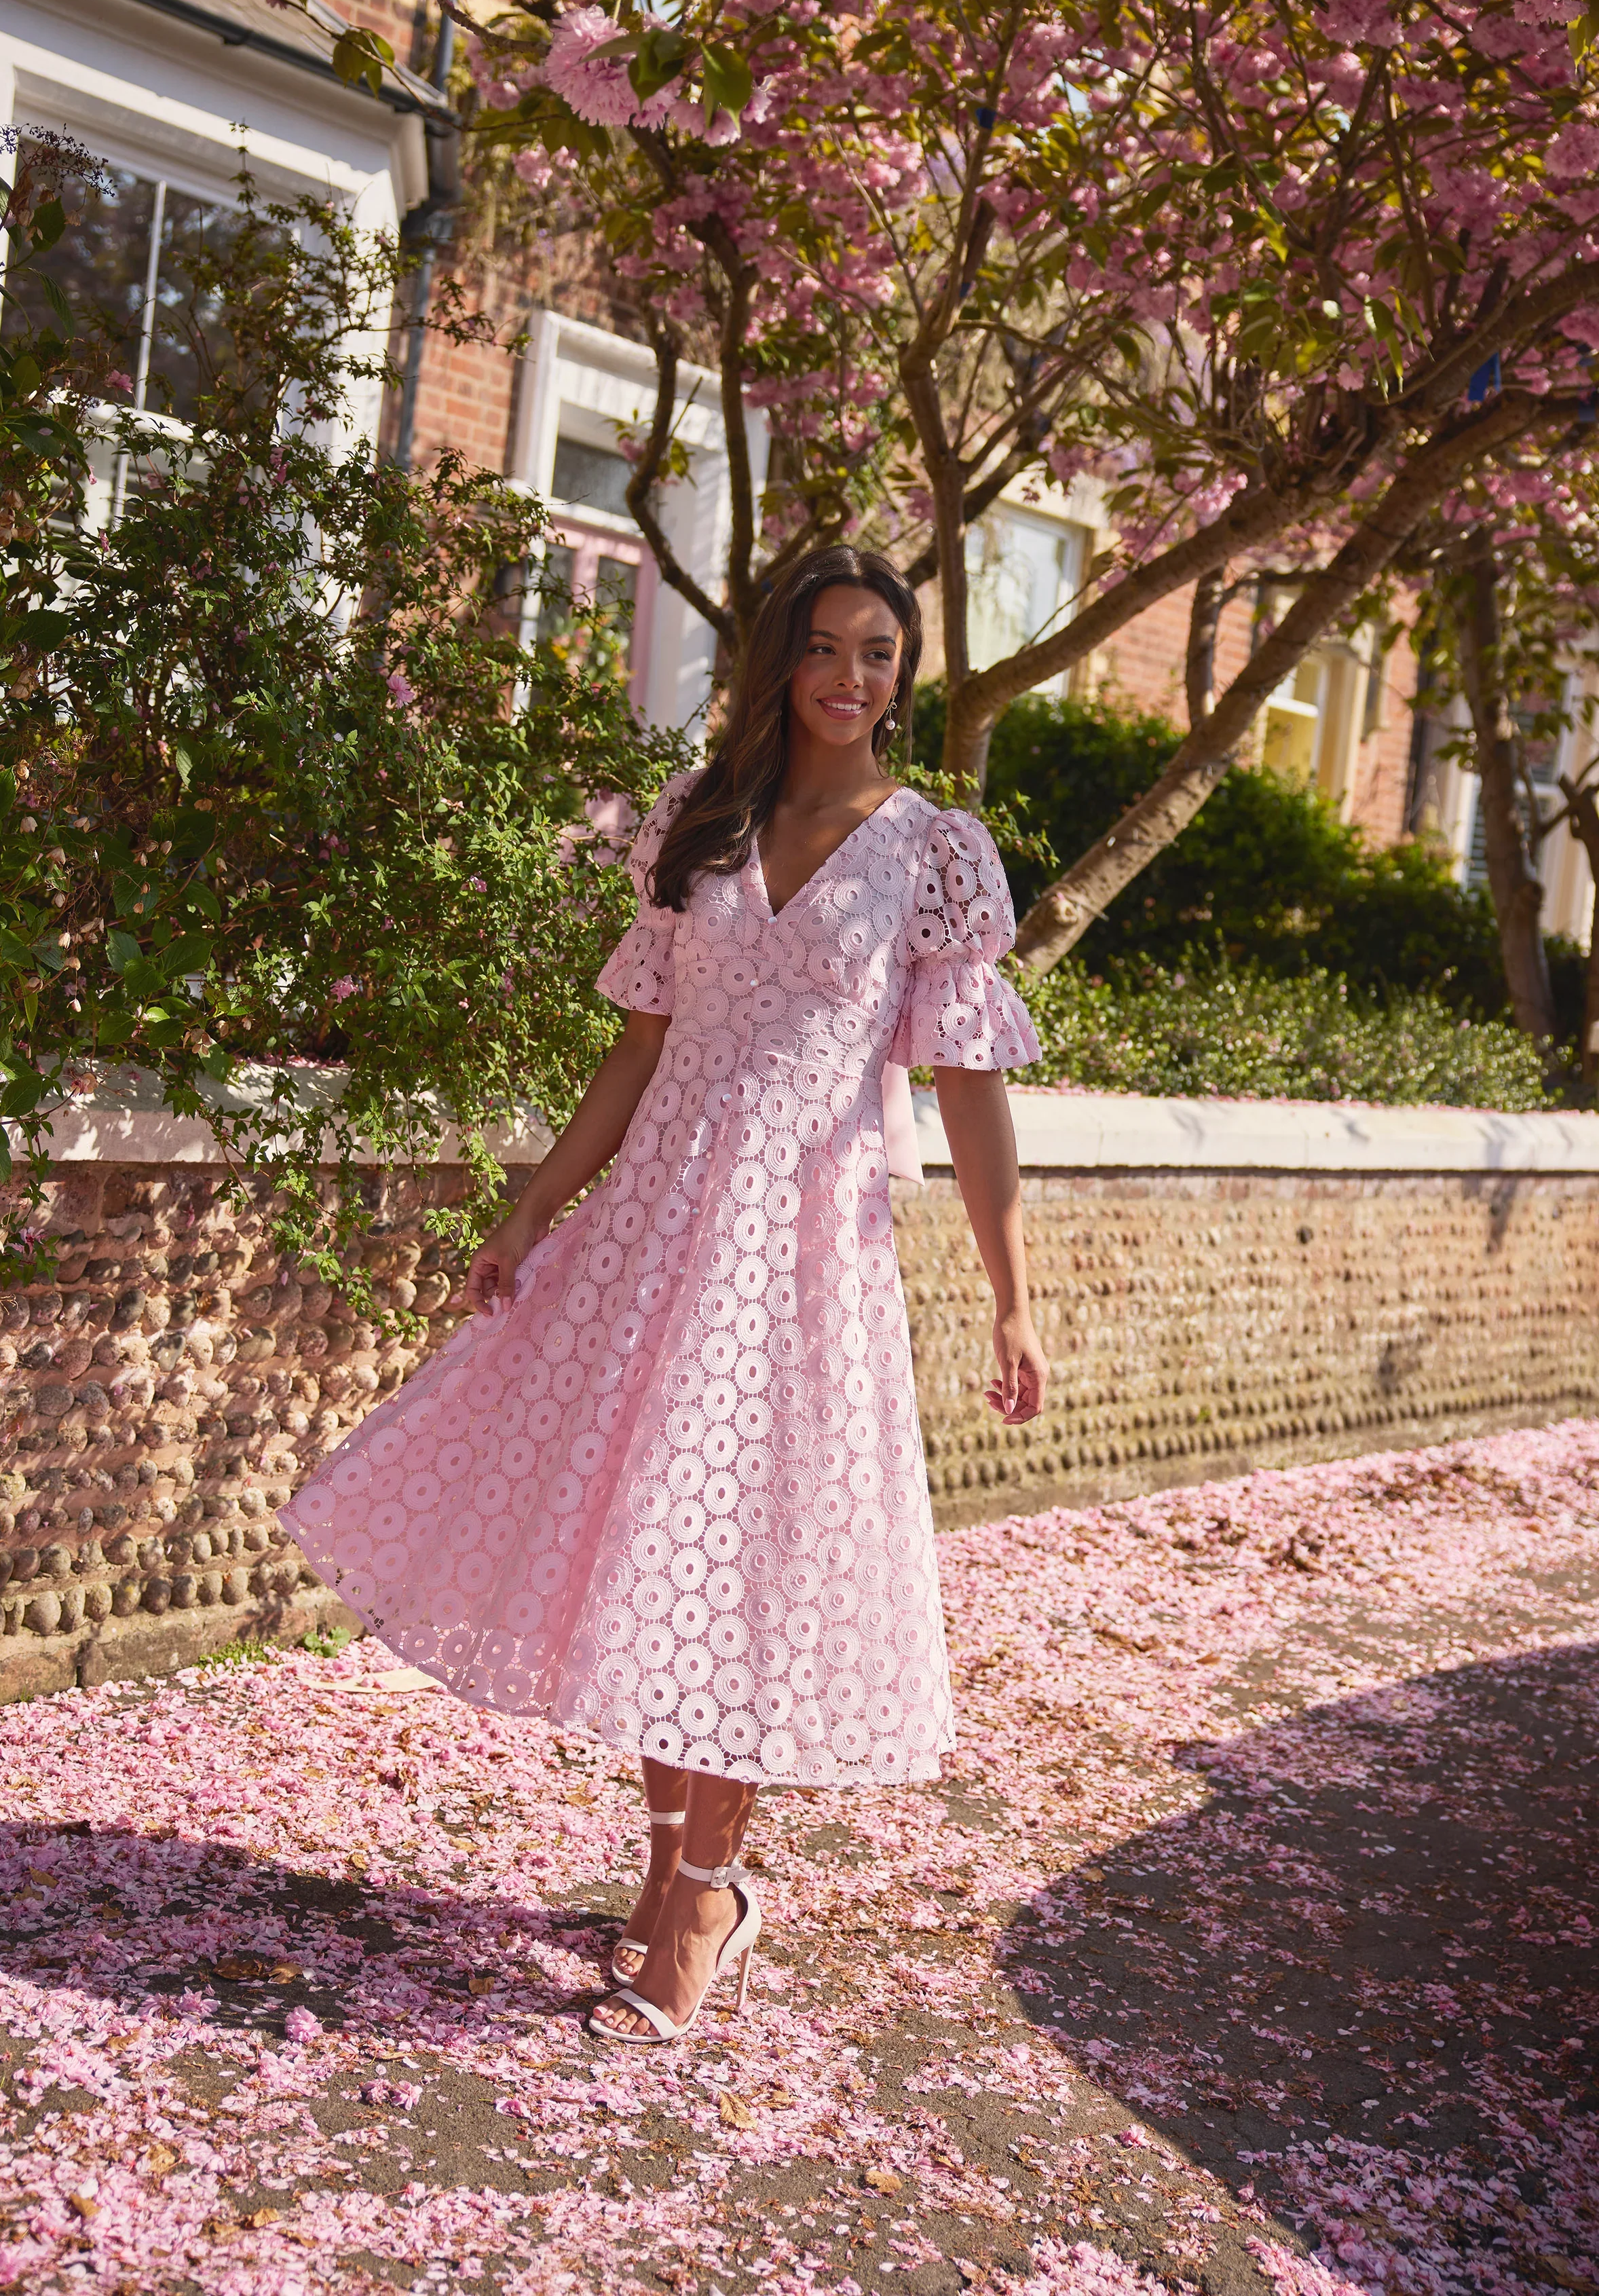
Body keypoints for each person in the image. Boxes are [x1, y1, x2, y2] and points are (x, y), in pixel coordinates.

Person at [281, 544, 1049, 2048]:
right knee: (645, 1557)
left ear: (904, 672)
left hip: (800, 1263)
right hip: (650, 1246)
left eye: (878, 652)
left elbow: (968, 1093)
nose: (848, 676)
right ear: (780, 660)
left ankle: (708, 1889)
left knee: (743, 1571)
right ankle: (659, 1871)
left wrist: (1009, 1294)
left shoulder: (934, 851)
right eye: (824, 646)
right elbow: (634, 1051)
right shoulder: (701, 830)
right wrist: (530, 1201)